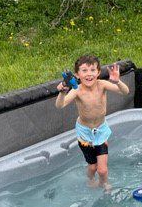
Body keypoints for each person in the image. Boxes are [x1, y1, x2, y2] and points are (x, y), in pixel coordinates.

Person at [55, 55, 130, 190]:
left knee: (102, 170)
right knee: (92, 167)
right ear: (77, 75)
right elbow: (60, 105)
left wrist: (117, 81)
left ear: (98, 72)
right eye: (84, 70)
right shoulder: (77, 90)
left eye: (92, 70)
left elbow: (125, 91)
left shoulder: (102, 85)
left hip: (100, 130)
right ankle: (90, 179)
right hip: (85, 134)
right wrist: (62, 92)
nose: (89, 74)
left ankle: (104, 183)